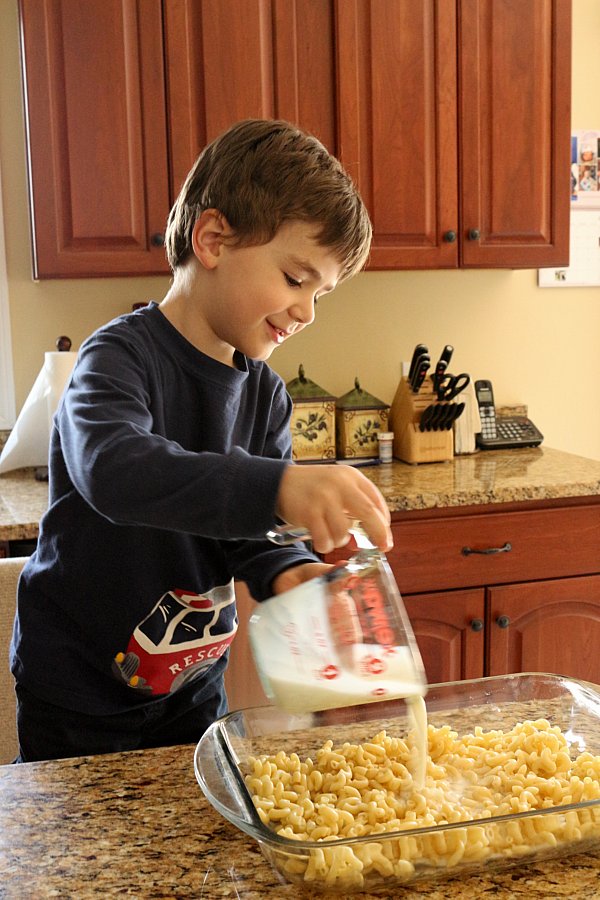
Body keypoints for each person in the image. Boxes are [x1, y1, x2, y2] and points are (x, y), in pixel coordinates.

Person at [10, 118, 392, 762]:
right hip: (78, 693)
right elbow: (115, 470)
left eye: (321, 294)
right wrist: (277, 485)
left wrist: (294, 574)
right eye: (297, 280)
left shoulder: (266, 393)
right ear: (212, 239)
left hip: (192, 688)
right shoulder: (117, 358)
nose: (307, 312)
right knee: (81, 856)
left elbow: (249, 537)